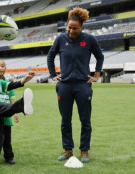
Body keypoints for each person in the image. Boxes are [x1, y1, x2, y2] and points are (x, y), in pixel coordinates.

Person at [47, 7, 104, 163]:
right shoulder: (60, 39)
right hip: (64, 85)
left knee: (85, 120)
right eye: (69, 27)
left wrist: (97, 74)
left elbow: (100, 56)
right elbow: (50, 56)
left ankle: (84, 150)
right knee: (65, 120)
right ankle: (67, 150)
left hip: (83, 85)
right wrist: (53, 75)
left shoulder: (90, 39)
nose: (71, 31)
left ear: (82, 27)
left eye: (75, 28)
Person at [0, 59, 19, 165]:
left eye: (2, 66)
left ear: (5, 68)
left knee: (7, 138)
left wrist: (15, 113)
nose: (0, 68)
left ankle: (9, 156)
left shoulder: (8, 84)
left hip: (6, 115)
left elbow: (12, 100)